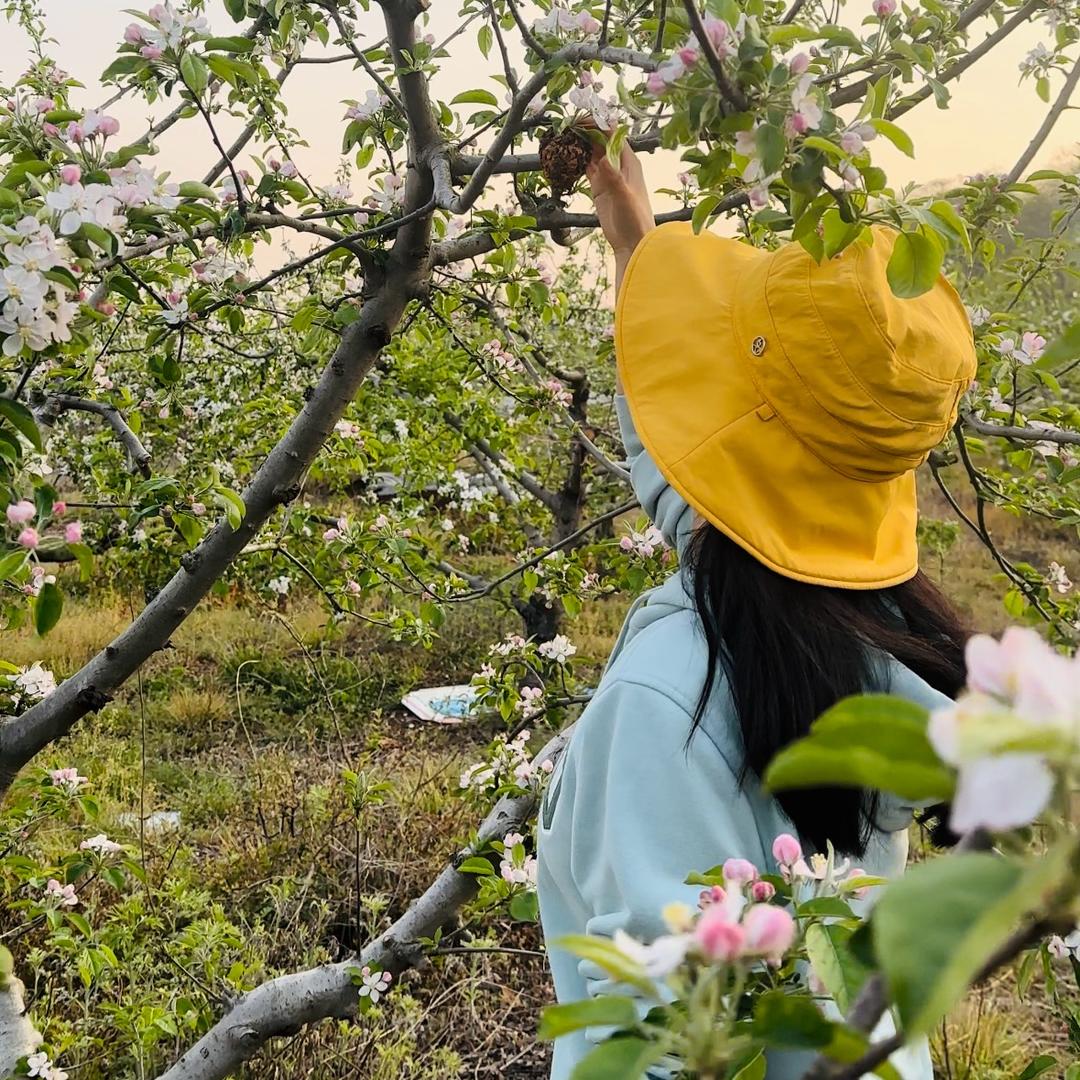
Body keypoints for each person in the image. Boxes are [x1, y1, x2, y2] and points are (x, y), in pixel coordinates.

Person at [535, 142, 977, 1080]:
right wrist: (631, 244)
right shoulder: (858, 638)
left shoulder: (664, 711)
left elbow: (660, 1052)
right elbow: (692, 480)